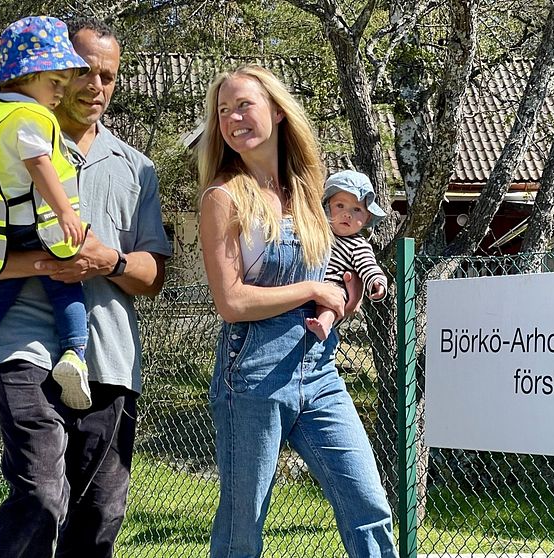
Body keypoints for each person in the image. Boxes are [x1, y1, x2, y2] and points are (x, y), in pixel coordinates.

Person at [0, 17, 171, 558]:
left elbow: (152, 277)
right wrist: (44, 264)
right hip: (20, 343)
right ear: (54, 71)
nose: (95, 87)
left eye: (108, 76)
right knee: (40, 495)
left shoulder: (138, 169)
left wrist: (105, 259)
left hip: (106, 356)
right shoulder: (3, 140)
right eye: (83, 71)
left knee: (100, 512)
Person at [197, 64, 398, 558]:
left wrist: (343, 303)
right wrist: (312, 287)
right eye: (223, 111)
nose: (232, 118)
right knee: (243, 528)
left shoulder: (310, 196)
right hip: (253, 374)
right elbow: (232, 301)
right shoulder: (222, 198)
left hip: (320, 367)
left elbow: (330, 289)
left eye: (243, 104)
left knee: (369, 506)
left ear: (278, 113)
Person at [0, 16, 94, 415]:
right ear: (28, 75)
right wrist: (65, 211)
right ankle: (74, 354)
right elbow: (39, 163)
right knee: (65, 282)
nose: (60, 94)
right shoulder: (28, 115)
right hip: (34, 224)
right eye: (55, 83)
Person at [305, 170, 388, 341]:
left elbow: (368, 266)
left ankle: (323, 326)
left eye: (357, 209)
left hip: (334, 285)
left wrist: (377, 281)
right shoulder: (315, 232)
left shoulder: (358, 245)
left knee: (331, 303)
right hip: (306, 286)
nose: (347, 214)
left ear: (367, 218)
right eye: (340, 206)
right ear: (326, 207)